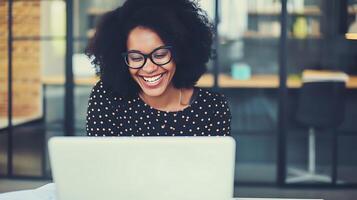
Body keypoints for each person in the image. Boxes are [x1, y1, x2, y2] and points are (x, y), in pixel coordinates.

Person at [85, 0, 231, 137]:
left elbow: (214, 163)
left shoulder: (212, 108)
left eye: (160, 55)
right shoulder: (107, 98)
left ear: (180, 52)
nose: (149, 68)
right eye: (136, 58)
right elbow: (101, 162)